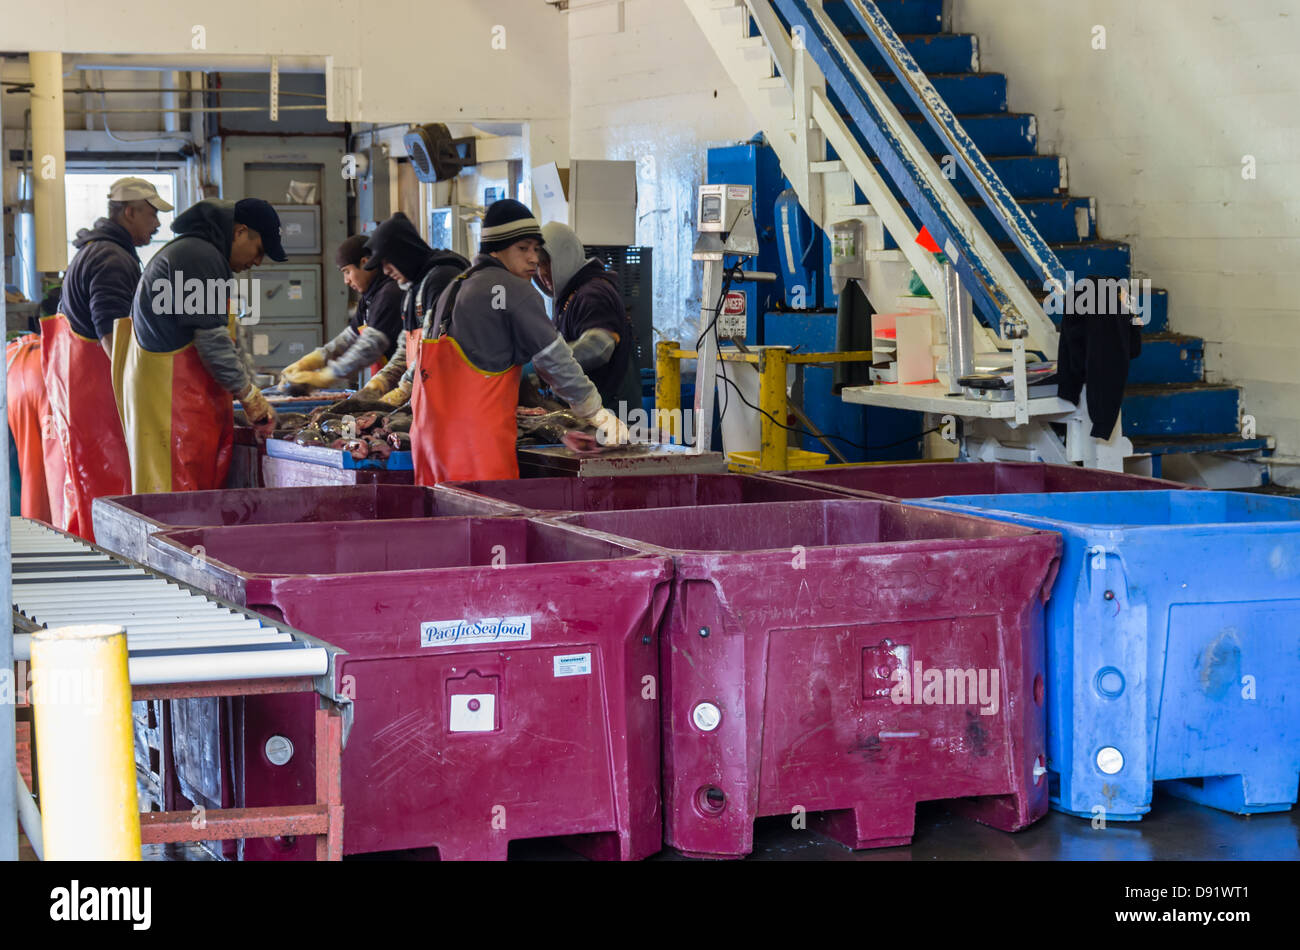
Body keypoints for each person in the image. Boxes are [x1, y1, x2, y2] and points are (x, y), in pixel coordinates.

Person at [412, 198, 627, 485]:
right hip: (476, 450)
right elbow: (555, 361)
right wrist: (596, 413)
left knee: (444, 526)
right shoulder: (514, 290)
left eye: (537, 249)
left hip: (430, 447)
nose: (534, 259)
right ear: (495, 249)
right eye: (522, 249)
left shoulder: (454, 286)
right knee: (491, 526)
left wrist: (561, 429)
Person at [119, 197, 282, 494]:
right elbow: (212, 341)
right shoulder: (198, 256)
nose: (257, 262)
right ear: (240, 232)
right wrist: (249, 395)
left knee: (190, 500)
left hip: (183, 404)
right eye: (259, 251)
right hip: (172, 407)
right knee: (176, 505)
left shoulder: (199, 254)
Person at [41, 177, 170, 540]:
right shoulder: (111, 258)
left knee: (91, 490)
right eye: (151, 214)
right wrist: (139, 391)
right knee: (109, 492)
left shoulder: (95, 250)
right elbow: (112, 333)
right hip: (100, 402)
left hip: (82, 400)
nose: (157, 224)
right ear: (129, 212)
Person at [354, 212, 469, 406]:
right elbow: (405, 349)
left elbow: (433, 347)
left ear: (403, 252)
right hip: (426, 394)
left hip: (453, 399)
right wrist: (381, 383)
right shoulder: (413, 289)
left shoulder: (442, 279)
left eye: (387, 262)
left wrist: (405, 388)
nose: (386, 271)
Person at [533, 221, 642, 412]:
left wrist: (543, 366)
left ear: (564, 256)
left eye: (547, 262)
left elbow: (598, 347)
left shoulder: (593, 293)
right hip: (591, 413)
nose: (542, 273)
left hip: (612, 415)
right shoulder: (569, 296)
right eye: (538, 264)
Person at [279, 234, 404, 391]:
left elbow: (369, 347)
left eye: (347, 272)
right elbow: (349, 338)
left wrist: (327, 375)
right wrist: (313, 360)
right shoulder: (368, 299)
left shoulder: (389, 295)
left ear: (365, 263)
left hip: (405, 386)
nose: (346, 281)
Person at [7, 331, 66, 525]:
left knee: (29, 470)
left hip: (11, 372)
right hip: (46, 368)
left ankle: (31, 539)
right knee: (56, 471)